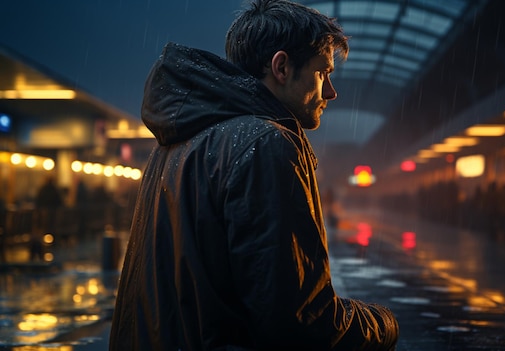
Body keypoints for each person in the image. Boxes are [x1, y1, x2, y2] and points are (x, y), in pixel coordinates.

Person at [109, 1, 399, 350]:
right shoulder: (266, 144)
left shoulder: (172, 145)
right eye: (323, 73)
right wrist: (382, 325)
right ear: (281, 66)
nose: (331, 93)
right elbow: (300, 322)